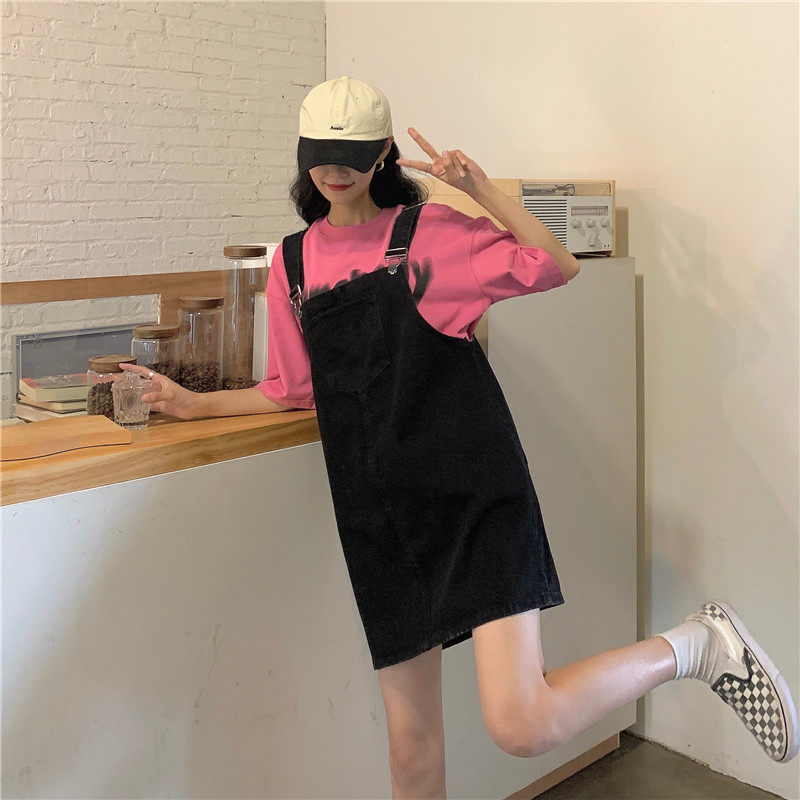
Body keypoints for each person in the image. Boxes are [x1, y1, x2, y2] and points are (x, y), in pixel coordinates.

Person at [121, 76, 798, 797]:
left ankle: (695, 647)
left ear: (384, 151)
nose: (335, 168)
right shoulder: (291, 264)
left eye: (353, 152)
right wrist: (193, 405)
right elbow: (293, 388)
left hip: (474, 498)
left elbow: (556, 264)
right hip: (378, 519)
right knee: (411, 755)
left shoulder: (432, 235)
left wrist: (479, 190)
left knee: (523, 723)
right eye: (321, 153)